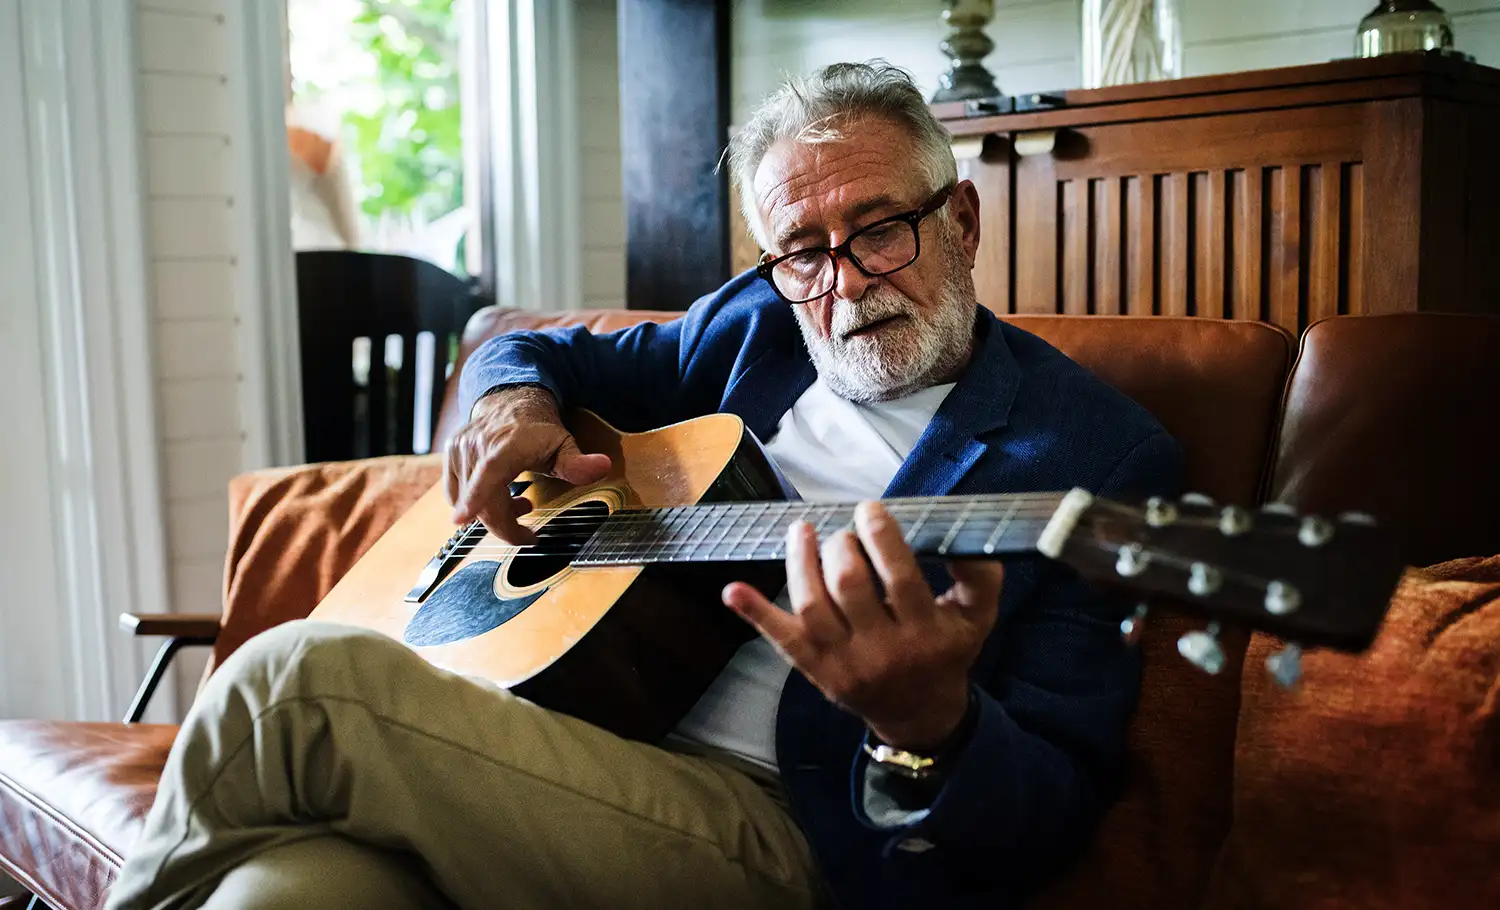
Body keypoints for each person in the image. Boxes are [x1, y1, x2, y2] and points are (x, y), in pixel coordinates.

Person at [107, 62, 1182, 910]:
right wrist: (505, 406)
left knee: (294, 682)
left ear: (963, 222)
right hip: (557, 733)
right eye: (801, 249)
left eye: (880, 229)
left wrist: (931, 725)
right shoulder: (751, 326)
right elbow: (543, 352)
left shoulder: (1093, 455)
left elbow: (1055, 805)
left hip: (785, 827)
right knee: (278, 895)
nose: (844, 281)